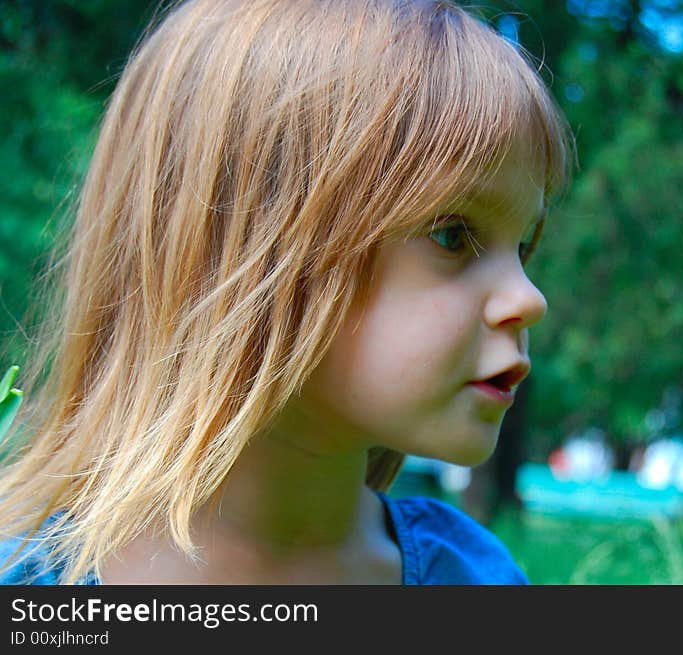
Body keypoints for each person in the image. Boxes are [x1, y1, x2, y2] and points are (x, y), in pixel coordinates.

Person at [0, 0, 572, 585]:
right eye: (453, 234)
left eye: (523, 248)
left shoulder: (475, 579)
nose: (528, 298)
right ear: (244, 247)